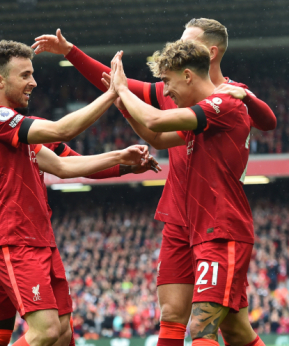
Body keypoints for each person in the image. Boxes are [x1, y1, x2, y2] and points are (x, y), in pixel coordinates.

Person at [32, 18, 275, 346]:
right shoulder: (183, 98)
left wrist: (247, 98)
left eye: (188, 41)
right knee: (186, 320)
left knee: (213, 329)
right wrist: (77, 57)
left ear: (210, 53)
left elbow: (266, 121)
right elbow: (152, 129)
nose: (167, 90)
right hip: (181, 219)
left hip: (219, 224)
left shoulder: (226, 99)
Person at [0, 40, 152, 346]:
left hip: (35, 239)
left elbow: (65, 166)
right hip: (13, 238)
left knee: (61, 335)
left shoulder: (18, 130)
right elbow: (62, 130)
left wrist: (122, 161)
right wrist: (113, 93)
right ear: (0, 80)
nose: (34, 82)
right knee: (46, 332)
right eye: (25, 75)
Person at [110, 41, 260, 346]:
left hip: (222, 231)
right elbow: (157, 137)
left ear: (188, 75)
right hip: (193, 229)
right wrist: (125, 107)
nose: (165, 92)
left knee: (203, 328)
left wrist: (123, 89)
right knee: (233, 331)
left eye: (168, 81)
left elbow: (154, 119)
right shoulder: (197, 116)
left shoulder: (223, 105)